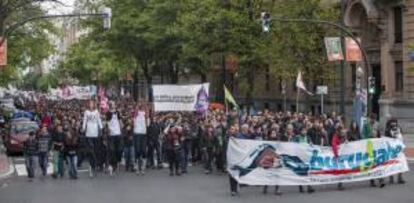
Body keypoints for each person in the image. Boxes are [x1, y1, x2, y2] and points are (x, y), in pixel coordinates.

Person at [82, 100, 103, 178]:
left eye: (92, 103)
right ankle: (92, 164)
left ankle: (95, 164)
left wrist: (101, 128)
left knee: (96, 149)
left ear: (94, 105)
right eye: (90, 103)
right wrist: (83, 128)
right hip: (89, 133)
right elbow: (85, 121)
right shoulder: (86, 112)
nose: (91, 105)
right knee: (91, 150)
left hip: (95, 133)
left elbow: (99, 120)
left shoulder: (97, 112)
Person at [291, 126, 315, 193]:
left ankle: (309, 186)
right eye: (303, 131)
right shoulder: (297, 138)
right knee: (300, 172)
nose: (304, 132)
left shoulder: (308, 137)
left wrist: (311, 145)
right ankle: (301, 186)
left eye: (305, 130)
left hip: (306, 157)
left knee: (308, 171)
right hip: (299, 157)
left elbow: (312, 145)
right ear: (300, 131)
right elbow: (293, 145)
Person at [385, 118, 405, 184]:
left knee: (401, 163)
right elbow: (386, 139)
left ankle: (400, 178)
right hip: (392, 149)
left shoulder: (399, 128)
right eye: (392, 122)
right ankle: (391, 178)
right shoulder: (387, 130)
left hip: (399, 148)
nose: (394, 124)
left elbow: (401, 137)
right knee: (392, 163)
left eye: (395, 122)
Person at [262, 129, 282, 195]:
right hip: (269, 158)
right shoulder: (268, 141)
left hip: (276, 158)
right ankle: (265, 187)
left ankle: (277, 189)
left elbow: (280, 149)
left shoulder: (278, 141)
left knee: (277, 174)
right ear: (270, 134)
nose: (273, 134)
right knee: (268, 174)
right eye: (272, 133)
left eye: (274, 133)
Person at [106, 102, 123, 176]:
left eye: (114, 104)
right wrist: (109, 130)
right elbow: (107, 122)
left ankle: (116, 163)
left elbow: (120, 121)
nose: (114, 105)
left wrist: (122, 126)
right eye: (113, 104)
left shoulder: (117, 112)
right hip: (111, 134)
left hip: (118, 133)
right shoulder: (108, 113)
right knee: (112, 150)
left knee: (119, 149)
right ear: (110, 106)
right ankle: (111, 165)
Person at [133, 104, 148, 175]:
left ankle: (143, 168)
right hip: (137, 133)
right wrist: (137, 108)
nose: (141, 106)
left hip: (143, 134)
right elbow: (135, 115)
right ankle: (136, 167)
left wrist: (146, 110)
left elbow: (147, 122)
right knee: (137, 150)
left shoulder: (145, 113)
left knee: (144, 151)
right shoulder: (136, 114)